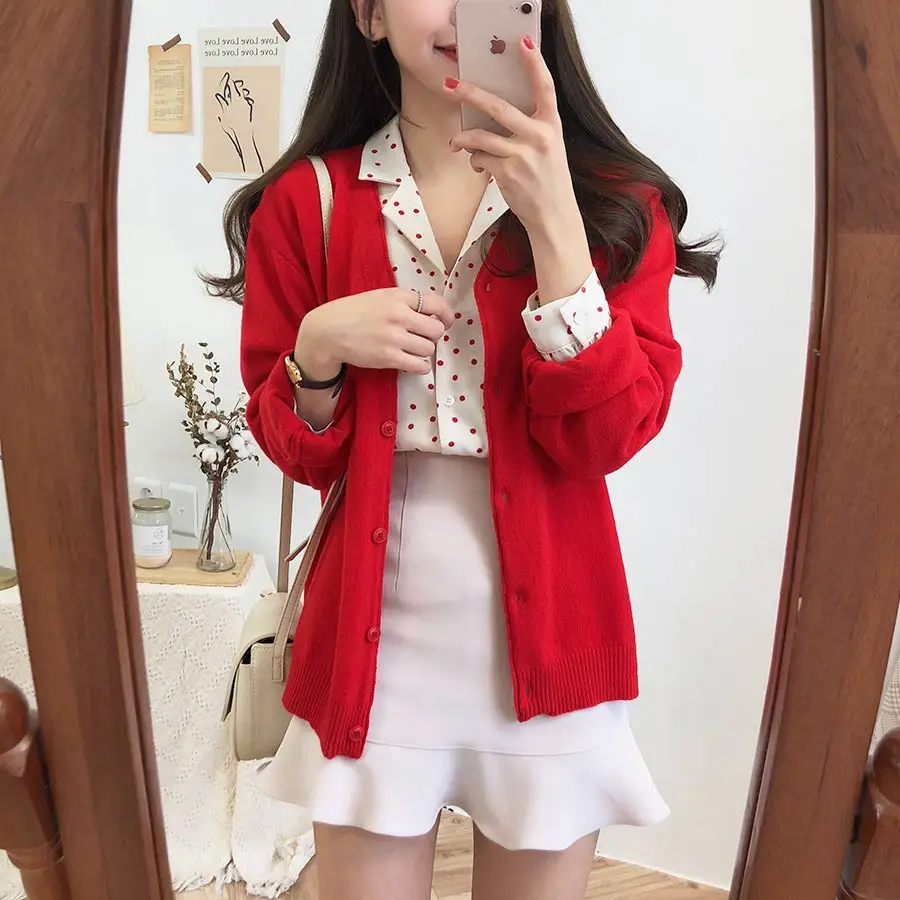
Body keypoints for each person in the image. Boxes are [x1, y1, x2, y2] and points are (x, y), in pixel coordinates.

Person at [205, 1, 720, 897]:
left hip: (554, 640)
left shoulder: (615, 204)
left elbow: (610, 436)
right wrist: (316, 351)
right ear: (368, 14)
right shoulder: (308, 202)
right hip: (373, 650)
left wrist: (556, 222)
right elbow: (302, 453)